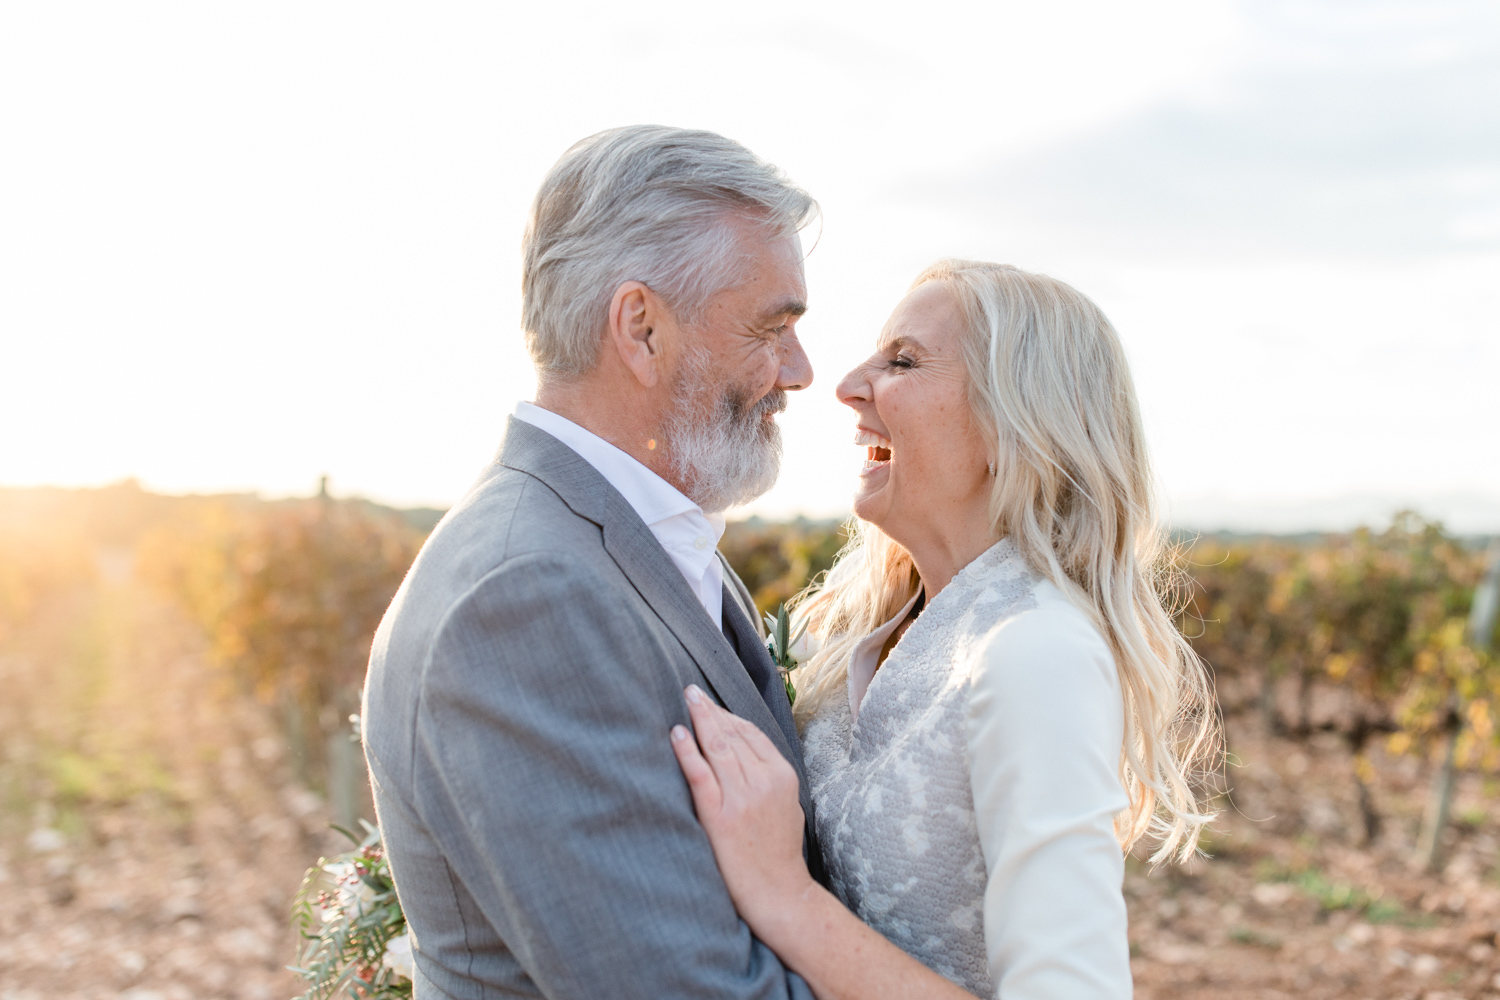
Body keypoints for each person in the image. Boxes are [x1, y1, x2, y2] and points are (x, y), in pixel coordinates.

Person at [361, 125, 828, 998]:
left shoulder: (632, 535)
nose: (800, 371)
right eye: (773, 328)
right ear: (641, 328)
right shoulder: (525, 597)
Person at [671, 260, 1220, 999]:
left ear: (1018, 424)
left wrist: (784, 897)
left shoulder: (1036, 650)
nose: (847, 385)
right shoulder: (851, 633)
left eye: (902, 361)